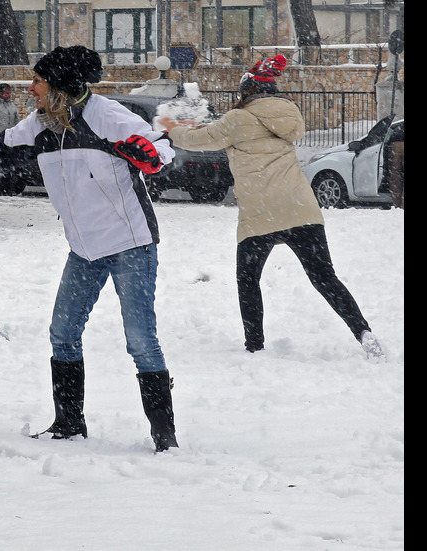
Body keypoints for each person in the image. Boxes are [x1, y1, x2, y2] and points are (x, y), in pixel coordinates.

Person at [0, 45, 180, 453]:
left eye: (38, 81)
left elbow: (160, 145)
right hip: (83, 249)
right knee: (63, 334)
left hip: (130, 244)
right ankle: (69, 423)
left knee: (141, 340)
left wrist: (150, 157)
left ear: (60, 86)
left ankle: (165, 437)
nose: (30, 88)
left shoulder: (107, 115)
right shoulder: (40, 124)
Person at [158, 55, 384, 358]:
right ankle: (364, 332)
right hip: (300, 209)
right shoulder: (290, 114)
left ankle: (255, 345)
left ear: (247, 91)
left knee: (248, 280)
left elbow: (200, 140)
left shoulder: (237, 120)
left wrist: (171, 129)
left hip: (260, 215)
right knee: (324, 278)